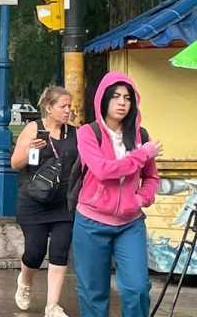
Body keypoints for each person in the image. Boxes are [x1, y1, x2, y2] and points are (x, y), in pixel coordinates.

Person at [72, 72, 161, 317]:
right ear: (103, 100)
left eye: (127, 98)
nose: (122, 103)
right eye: (115, 97)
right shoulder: (88, 133)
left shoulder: (141, 135)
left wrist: (142, 198)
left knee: (138, 288)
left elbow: (152, 177)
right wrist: (142, 154)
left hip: (130, 224)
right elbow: (102, 170)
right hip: (90, 223)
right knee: (93, 292)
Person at [9, 86, 77, 317]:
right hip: (34, 202)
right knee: (35, 252)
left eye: (70, 106)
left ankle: (52, 306)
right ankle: (25, 281)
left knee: (59, 251)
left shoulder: (75, 133)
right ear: (49, 107)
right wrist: (29, 150)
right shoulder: (33, 129)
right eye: (63, 106)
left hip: (63, 204)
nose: (68, 110)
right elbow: (15, 164)